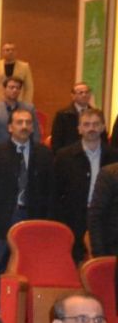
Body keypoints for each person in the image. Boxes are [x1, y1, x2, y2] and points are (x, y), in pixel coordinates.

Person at [0, 107, 53, 315]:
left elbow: (49, 190)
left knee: (31, 265)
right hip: (4, 216)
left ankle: (24, 313)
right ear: (10, 127)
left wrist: (47, 223)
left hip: (33, 217)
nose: (24, 126)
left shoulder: (44, 153)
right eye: (19, 122)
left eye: (28, 123)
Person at [52, 108, 113, 264]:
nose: (91, 128)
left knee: (102, 264)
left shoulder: (114, 156)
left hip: (105, 219)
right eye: (86, 124)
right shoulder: (64, 156)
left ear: (103, 127)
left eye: (96, 124)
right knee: (71, 263)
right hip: (73, 218)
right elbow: (55, 192)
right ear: (79, 129)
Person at [0, 76, 40, 150]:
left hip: (24, 150)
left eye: (18, 88)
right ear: (4, 89)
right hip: (0, 151)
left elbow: (36, 133)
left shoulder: (29, 109)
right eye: (11, 87)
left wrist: (34, 151)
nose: (15, 90)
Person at [0, 42, 34, 106]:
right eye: (7, 50)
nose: (10, 52)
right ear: (3, 52)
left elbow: (29, 87)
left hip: (18, 103)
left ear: (16, 52)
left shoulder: (24, 67)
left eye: (13, 50)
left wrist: (26, 104)